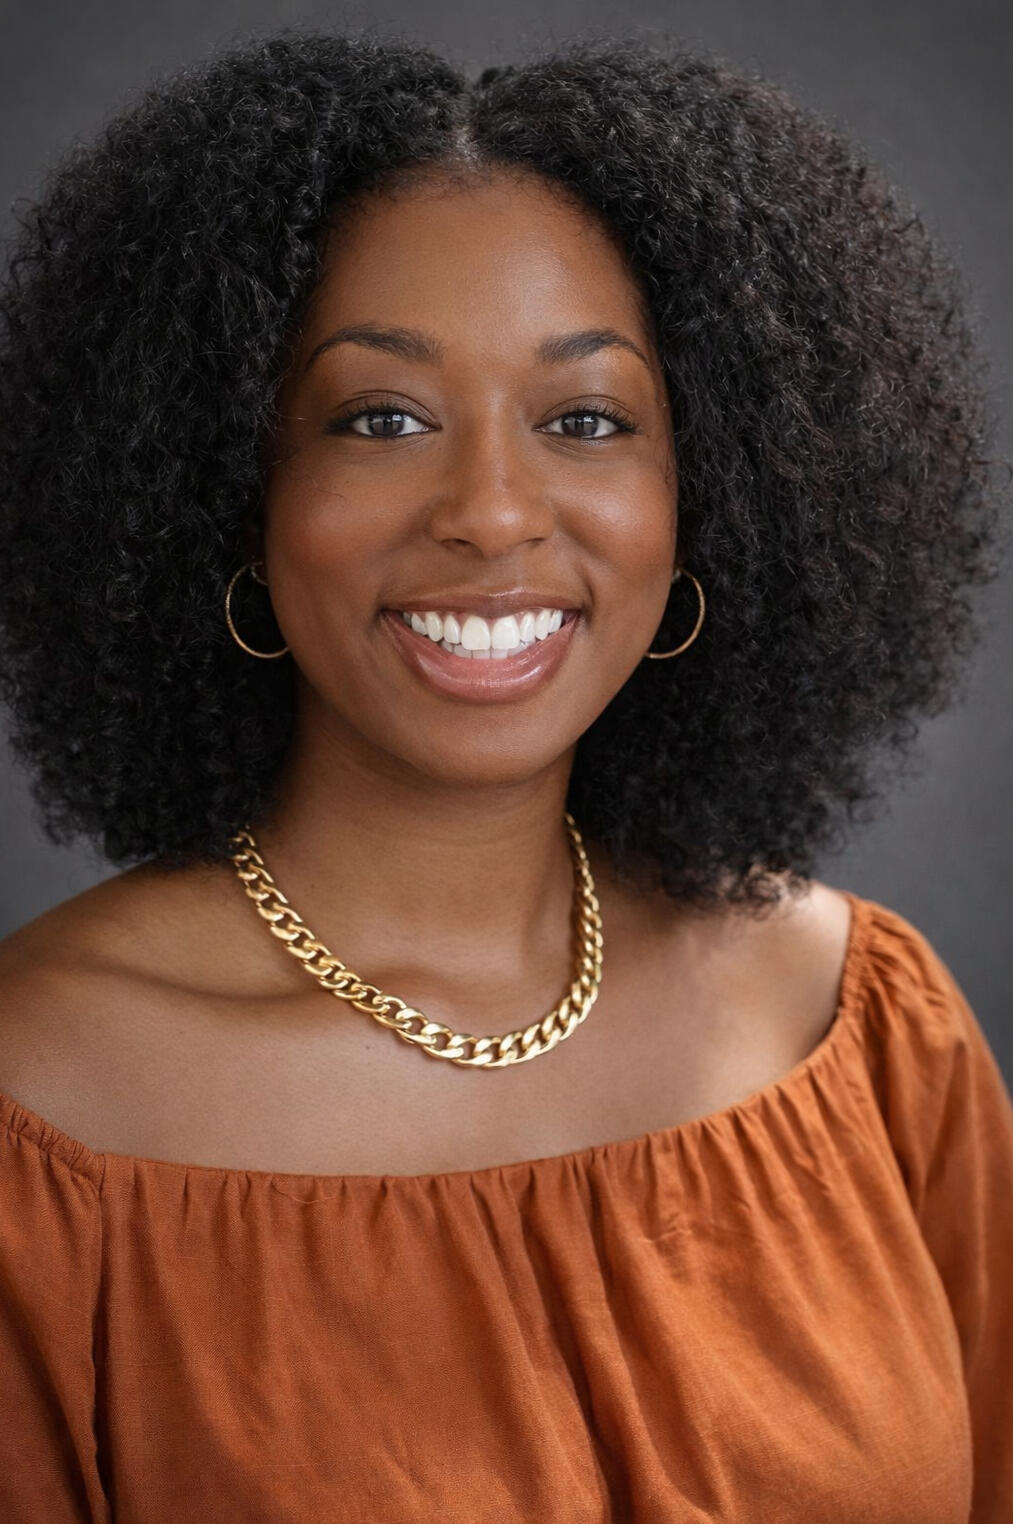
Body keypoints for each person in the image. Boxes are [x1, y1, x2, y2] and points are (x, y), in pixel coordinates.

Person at [0, 25, 1009, 1523]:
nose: (489, 513)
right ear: (232, 497)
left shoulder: (859, 1021)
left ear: (702, 502)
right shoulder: (43, 1107)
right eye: (381, 419)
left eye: (586, 420)